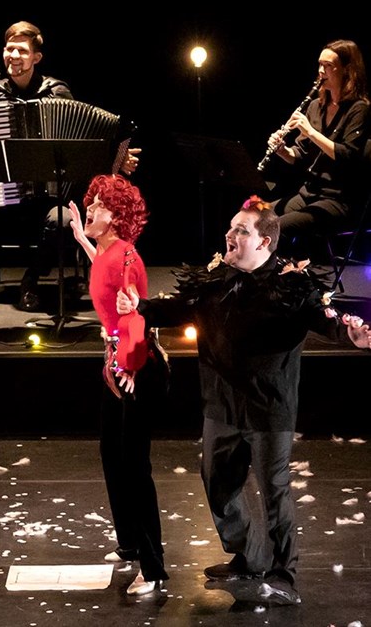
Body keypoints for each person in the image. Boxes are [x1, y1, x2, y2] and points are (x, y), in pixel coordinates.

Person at [117, 195, 371, 607]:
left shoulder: (291, 287)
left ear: (264, 242)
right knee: (217, 482)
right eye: (231, 227)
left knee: (274, 492)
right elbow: (178, 308)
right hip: (221, 404)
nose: (229, 234)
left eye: (240, 230)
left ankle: (284, 576)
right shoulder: (216, 280)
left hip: (268, 408)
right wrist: (140, 307)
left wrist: (352, 336)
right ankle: (250, 555)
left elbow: (325, 321)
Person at [0, 20, 140, 317]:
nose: (14, 56)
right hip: (2, 189)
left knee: (65, 219)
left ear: (36, 57)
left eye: (22, 51)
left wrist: (116, 158)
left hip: (51, 196)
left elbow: (81, 143)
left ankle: (31, 280)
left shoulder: (57, 91)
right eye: (9, 49)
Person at [69, 174, 169, 597]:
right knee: (111, 452)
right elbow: (102, 269)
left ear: (116, 217)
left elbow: (135, 317)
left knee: (134, 466)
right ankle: (128, 542)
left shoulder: (127, 257)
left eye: (98, 207)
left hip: (136, 364)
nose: (89, 210)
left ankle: (152, 567)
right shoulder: (109, 251)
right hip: (117, 361)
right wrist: (82, 237)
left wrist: (128, 363)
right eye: (90, 204)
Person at [264, 39, 370, 271]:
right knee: (254, 217)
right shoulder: (315, 106)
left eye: (328, 65)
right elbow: (300, 156)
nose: (321, 71)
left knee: (277, 228)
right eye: (320, 64)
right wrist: (282, 150)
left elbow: (347, 156)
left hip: (338, 200)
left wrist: (310, 132)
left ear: (347, 70)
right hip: (309, 193)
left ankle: (279, 281)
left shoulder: (359, 109)